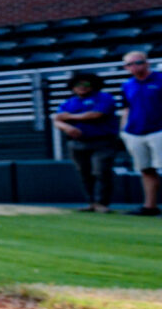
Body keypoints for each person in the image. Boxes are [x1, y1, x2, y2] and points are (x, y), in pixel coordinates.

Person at [53, 69, 126, 213]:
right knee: (84, 173)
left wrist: (70, 117)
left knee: (101, 171)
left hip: (102, 141)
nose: (82, 86)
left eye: (86, 83)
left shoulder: (104, 98)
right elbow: (57, 120)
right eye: (77, 84)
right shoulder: (69, 102)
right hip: (77, 143)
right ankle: (91, 202)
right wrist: (66, 127)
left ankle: (102, 203)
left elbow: (96, 114)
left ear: (93, 84)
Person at [118, 51, 162, 217]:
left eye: (137, 62)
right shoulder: (127, 84)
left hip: (158, 130)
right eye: (129, 64)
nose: (133, 67)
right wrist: (123, 131)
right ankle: (150, 206)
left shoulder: (159, 79)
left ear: (146, 63)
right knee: (145, 169)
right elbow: (126, 108)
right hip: (135, 132)